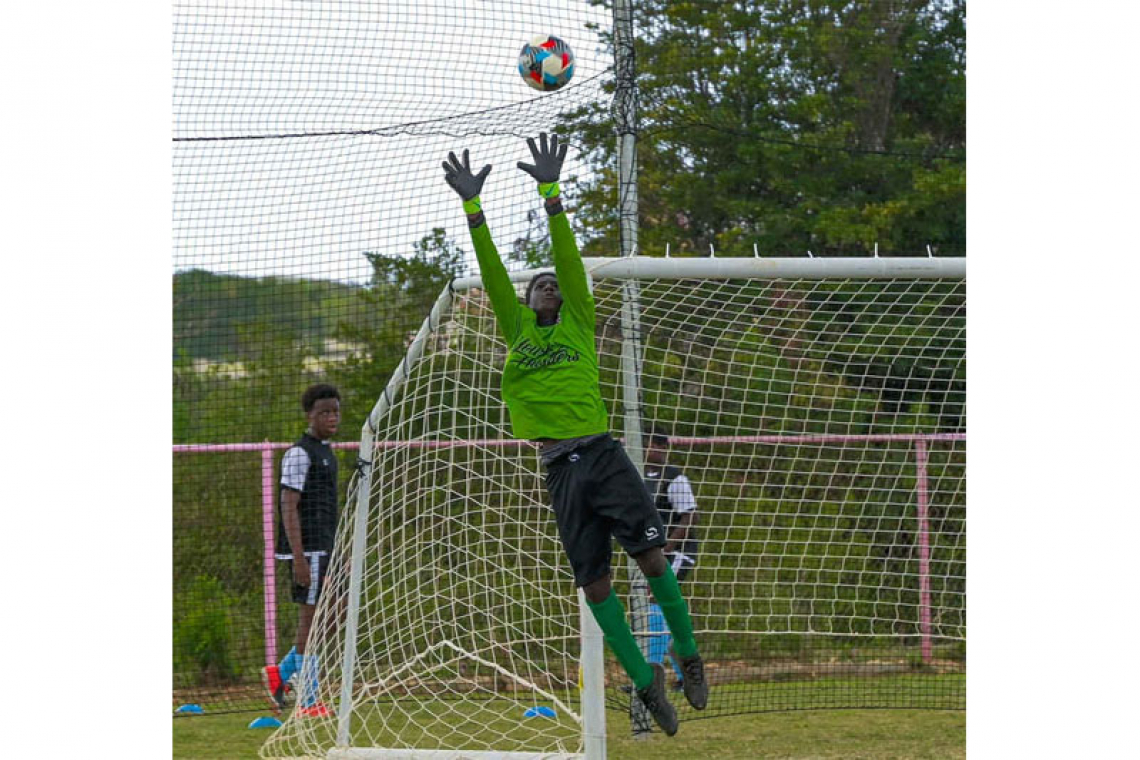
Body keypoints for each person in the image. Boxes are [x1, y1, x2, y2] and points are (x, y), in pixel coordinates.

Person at [441, 133, 708, 736]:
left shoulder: (579, 324)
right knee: (594, 586)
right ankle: (646, 683)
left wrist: (551, 193)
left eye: (555, 283)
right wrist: (474, 209)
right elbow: (489, 271)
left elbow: (566, 257)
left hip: (603, 453)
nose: (549, 286)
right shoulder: (518, 333)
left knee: (652, 557)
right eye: (538, 284)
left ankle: (688, 653)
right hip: (559, 468)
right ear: (526, 298)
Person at [261, 383, 341, 718]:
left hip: (327, 547)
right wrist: (298, 557)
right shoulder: (299, 453)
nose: (332, 417)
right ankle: (309, 700)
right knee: (310, 622)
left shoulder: (327, 451)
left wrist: (340, 552)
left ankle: (281, 672)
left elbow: (326, 507)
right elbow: (288, 505)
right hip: (307, 550)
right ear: (310, 415)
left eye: (335, 411)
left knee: (337, 611)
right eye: (324, 412)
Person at [642, 429, 700, 691]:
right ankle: (684, 673)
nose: (645, 449)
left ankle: (651, 675)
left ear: (660, 447)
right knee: (662, 611)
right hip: (653, 554)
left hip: (677, 553)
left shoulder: (674, 478)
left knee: (656, 599)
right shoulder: (640, 477)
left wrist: (666, 549)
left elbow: (690, 517)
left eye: (649, 444)